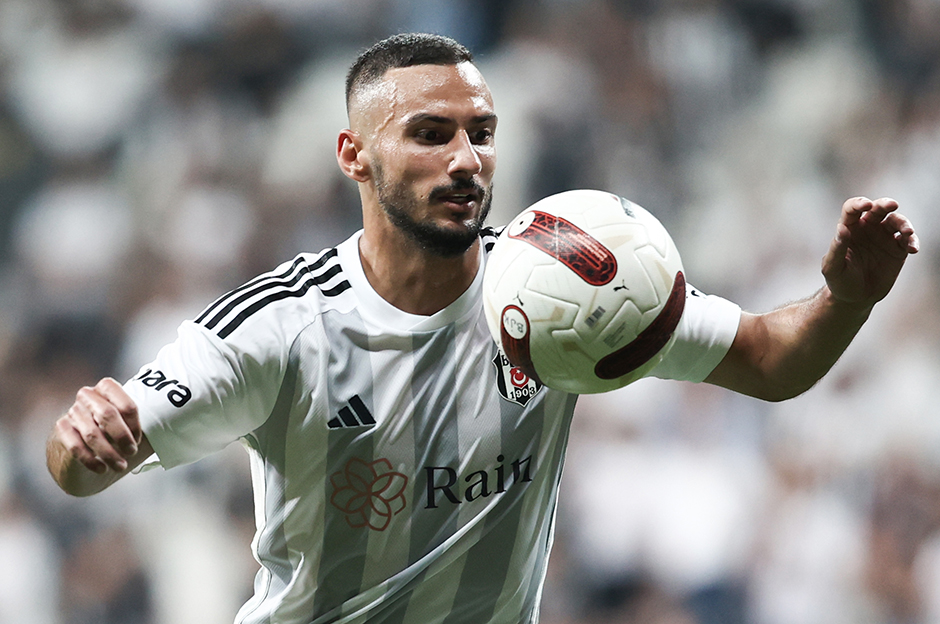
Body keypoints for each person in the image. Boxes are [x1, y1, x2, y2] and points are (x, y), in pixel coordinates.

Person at [46, 33, 919, 624]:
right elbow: (79, 469)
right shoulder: (279, 326)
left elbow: (769, 362)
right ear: (354, 155)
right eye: (431, 134)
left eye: (482, 133)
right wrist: (82, 440)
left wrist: (845, 298)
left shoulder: (566, 284)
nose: (466, 160)